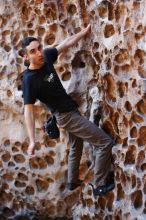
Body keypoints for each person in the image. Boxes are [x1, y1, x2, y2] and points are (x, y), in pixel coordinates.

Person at [21, 24, 115, 196]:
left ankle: (72, 181)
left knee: (76, 144)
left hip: (68, 111)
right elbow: (28, 110)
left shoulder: (46, 57)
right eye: (33, 51)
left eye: (39, 48)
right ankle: (99, 185)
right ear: (26, 57)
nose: (39, 52)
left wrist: (83, 32)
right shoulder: (29, 80)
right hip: (65, 116)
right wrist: (32, 140)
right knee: (104, 142)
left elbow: (65, 44)